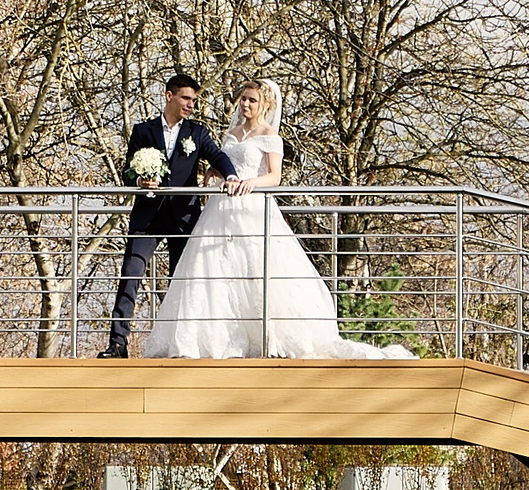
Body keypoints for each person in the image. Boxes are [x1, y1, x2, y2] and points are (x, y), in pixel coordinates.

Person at [141, 77, 414, 361]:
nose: (245, 104)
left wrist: (251, 183)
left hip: (252, 208)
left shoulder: (270, 135)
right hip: (221, 209)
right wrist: (215, 173)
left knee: (256, 268)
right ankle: (212, 338)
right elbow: (224, 163)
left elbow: (275, 176)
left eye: (252, 100)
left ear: (265, 105)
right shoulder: (231, 132)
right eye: (243, 98)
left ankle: (263, 336)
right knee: (213, 270)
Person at [102, 71, 233, 359]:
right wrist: (139, 182)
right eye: (186, 98)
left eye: (194, 101)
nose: (191, 105)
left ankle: (180, 344)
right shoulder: (142, 131)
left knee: (181, 281)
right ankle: (118, 343)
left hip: (183, 217)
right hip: (147, 217)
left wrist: (231, 174)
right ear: (169, 96)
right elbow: (128, 172)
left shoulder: (196, 133)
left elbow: (218, 155)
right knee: (130, 274)